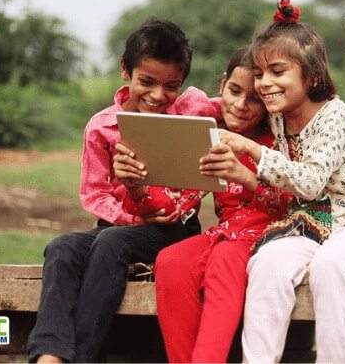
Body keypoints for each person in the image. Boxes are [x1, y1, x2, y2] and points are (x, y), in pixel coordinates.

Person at [200, 0, 345, 363]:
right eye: (260, 74)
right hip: (310, 227)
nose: (264, 84)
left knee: (330, 266)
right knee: (266, 263)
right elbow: (210, 103)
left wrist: (249, 148)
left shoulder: (334, 114)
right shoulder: (279, 116)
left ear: (312, 77)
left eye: (277, 71)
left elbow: (308, 182)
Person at [27, 18, 217, 363]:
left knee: (110, 242)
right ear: (125, 71)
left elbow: (236, 103)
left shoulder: (192, 111)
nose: (159, 96)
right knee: (62, 247)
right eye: (147, 82)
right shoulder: (102, 127)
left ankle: (85, 357)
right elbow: (94, 194)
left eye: (171, 86)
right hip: (117, 226)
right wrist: (130, 216)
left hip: (173, 230)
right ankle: (49, 354)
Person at [152, 47, 292, 363]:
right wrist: (136, 182)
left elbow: (290, 204)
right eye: (235, 91)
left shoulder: (276, 141)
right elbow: (178, 202)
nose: (241, 105)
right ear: (222, 84)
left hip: (266, 234)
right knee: (170, 261)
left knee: (224, 260)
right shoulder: (208, 134)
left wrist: (244, 174)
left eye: (255, 99)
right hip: (223, 234)